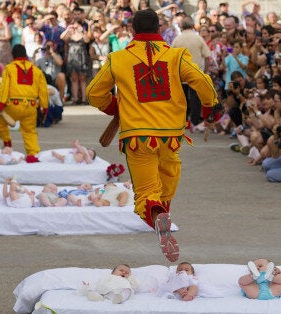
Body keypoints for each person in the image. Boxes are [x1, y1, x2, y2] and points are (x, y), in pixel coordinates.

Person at [86, 9, 219, 262]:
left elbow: (93, 93)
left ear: (133, 31)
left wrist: (116, 108)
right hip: (170, 137)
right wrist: (208, 108)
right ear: (159, 29)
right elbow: (202, 81)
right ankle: (162, 214)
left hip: (138, 137)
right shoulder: (176, 56)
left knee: (146, 192)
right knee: (167, 182)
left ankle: (158, 215)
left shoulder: (118, 58)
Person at [0, 44, 48, 163]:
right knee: (30, 131)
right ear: (25, 55)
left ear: (13, 55)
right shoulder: (37, 70)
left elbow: (4, 88)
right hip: (31, 106)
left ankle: (7, 144)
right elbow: (43, 90)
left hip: (13, 106)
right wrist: (44, 107)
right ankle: (33, 155)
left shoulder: (9, 68)